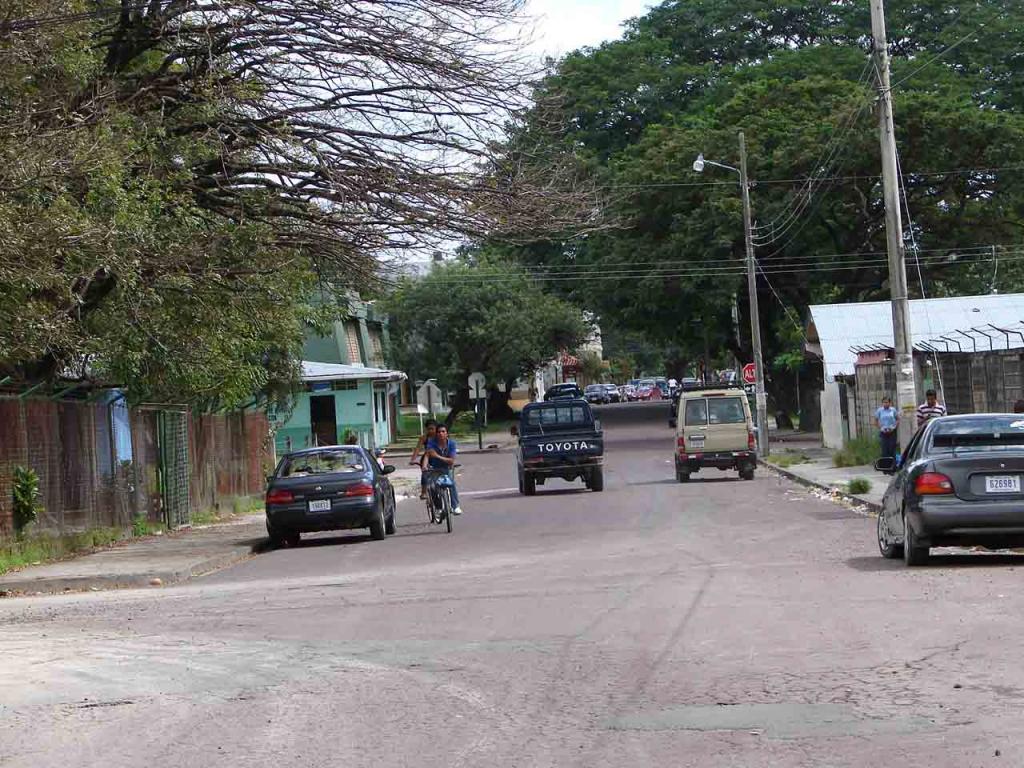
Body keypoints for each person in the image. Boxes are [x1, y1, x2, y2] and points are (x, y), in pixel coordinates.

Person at [424, 424, 462, 515]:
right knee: (433, 487)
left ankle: (455, 506)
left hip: (447, 468)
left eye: (443, 431)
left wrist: (437, 456)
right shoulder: (431, 442)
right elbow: (427, 455)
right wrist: (424, 466)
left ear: (447, 434)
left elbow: (451, 461)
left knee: (451, 483)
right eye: (439, 432)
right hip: (435, 468)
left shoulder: (451, 444)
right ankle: (438, 507)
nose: (441, 433)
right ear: (436, 434)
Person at [409, 419, 437, 499]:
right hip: (427, 458)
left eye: (432, 429)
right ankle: (424, 492)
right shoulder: (424, 438)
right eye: (429, 429)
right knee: (425, 474)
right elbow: (418, 449)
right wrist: (413, 459)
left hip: (438, 457)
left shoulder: (440, 436)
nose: (431, 431)